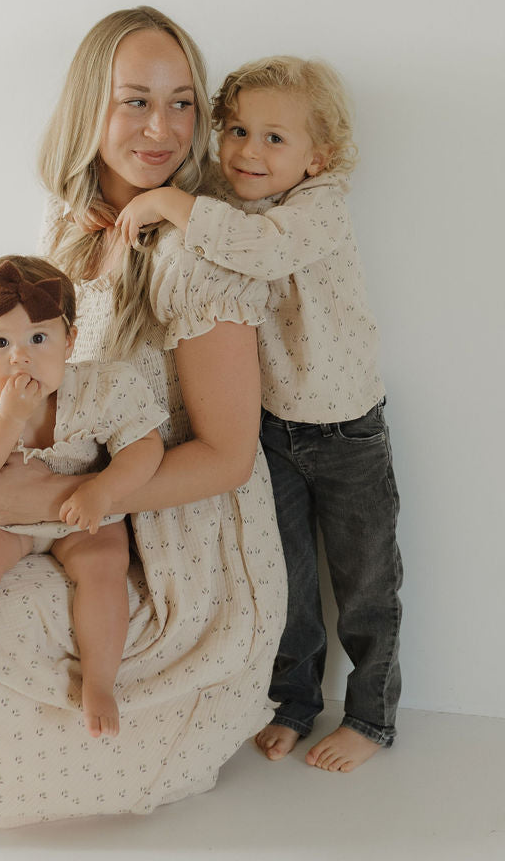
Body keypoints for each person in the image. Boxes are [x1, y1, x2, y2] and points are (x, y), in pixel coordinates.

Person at [0, 7, 285, 828]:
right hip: (60, 489)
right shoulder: (68, 233)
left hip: (161, 533)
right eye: (134, 100)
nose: (162, 128)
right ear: (87, 108)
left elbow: (227, 456)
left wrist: (74, 499)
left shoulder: (197, 254)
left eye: (182, 103)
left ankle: (49, 753)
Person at [115, 54, 403, 773]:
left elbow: (259, 250)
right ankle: (294, 701)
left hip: (345, 431)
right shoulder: (227, 201)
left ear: (319, 157)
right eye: (237, 130)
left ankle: (371, 715)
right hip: (273, 428)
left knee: (367, 584)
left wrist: (165, 206)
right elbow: (193, 212)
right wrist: (139, 206)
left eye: (275, 139)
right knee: (289, 582)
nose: (248, 151)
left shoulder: (317, 209)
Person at [0, 253, 166, 741]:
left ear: (69, 341)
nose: (19, 356)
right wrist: (6, 419)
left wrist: (103, 490)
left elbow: (145, 447)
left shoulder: (103, 387)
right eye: (0, 342)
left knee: (103, 569)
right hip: (3, 520)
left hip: (83, 511)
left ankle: (98, 681)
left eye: (38, 339)